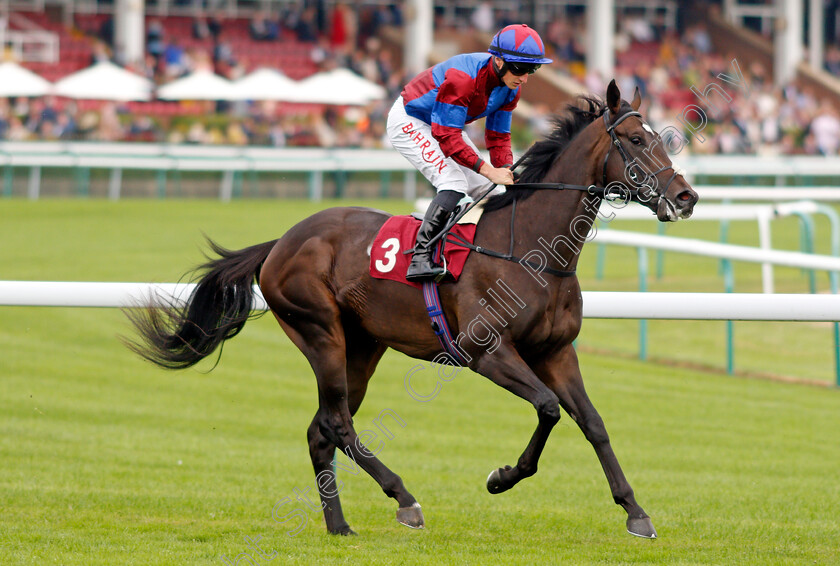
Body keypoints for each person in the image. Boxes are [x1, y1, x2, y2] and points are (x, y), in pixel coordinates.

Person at [386, 23, 552, 281]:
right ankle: (420, 256)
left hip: (445, 124)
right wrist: (487, 170)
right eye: (521, 68)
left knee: (495, 192)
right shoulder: (464, 78)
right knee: (453, 182)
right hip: (411, 119)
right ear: (498, 61)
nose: (525, 77)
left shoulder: (511, 89)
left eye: (533, 69)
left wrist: (505, 171)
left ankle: (489, 255)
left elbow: (498, 137)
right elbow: (446, 136)